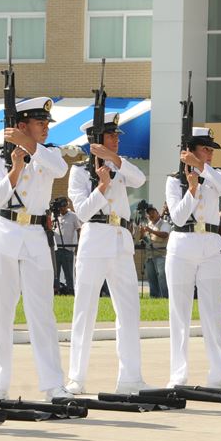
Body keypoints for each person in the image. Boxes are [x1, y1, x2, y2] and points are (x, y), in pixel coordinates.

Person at [0, 97, 73, 402]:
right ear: (22, 125)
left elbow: (59, 169)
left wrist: (28, 146)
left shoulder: (50, 154)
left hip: (34, 235)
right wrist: (16, 169)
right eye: (39, 123)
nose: (46, 128)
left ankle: (53, 384)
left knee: (42, 313)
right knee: (1, 313)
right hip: (4, 233)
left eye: (46, 123)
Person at [66, 111, 149, 394]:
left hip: (120, 242)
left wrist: (113, 160)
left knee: (129, 311)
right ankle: (76, 378)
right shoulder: (79, 172)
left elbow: (140, 179)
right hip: (95, 240)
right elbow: (82, 211)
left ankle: (131, 378)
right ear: (96, 139)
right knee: (85, 310)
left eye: (116, 135)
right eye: (111, 135)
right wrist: (101, 186)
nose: (116, 139)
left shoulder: (121, 166)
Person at [163, 127, 221, 388]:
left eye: (210, 149)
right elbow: (178, 217)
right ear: (190, 150)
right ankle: (178, 374)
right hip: (182, 246)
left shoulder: (214, 176)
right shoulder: (174, 181)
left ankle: (220, 374)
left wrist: (201, 168)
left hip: (210, 247)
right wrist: (192, 191)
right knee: (179, 314)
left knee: (213, 312)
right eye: (205, 149)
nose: (210, 154)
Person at [52, 197, 81, 295]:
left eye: (63, 207)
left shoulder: (73, 216)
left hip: (68, 249)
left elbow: (79, 229)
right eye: (60, 207)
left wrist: (79, 245)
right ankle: (56, 290)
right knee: (55, 273)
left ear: (66, 205)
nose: (62, 209)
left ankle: (70, 290)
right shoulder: (54, 215)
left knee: (68, 273)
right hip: (56, 249)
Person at [140, 205, 170, 298]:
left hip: (161, 255)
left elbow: (165, 234)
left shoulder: (164, 223)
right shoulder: (148, 225)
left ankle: (164, 296)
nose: (151, 215)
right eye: (149, 214)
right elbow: (143, 239)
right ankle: (154, 296)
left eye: (153, 212)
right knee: (151, 276)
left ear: (157, 213)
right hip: (149, 255)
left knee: (162, 276)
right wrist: (142, 233)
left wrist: (151, 231)